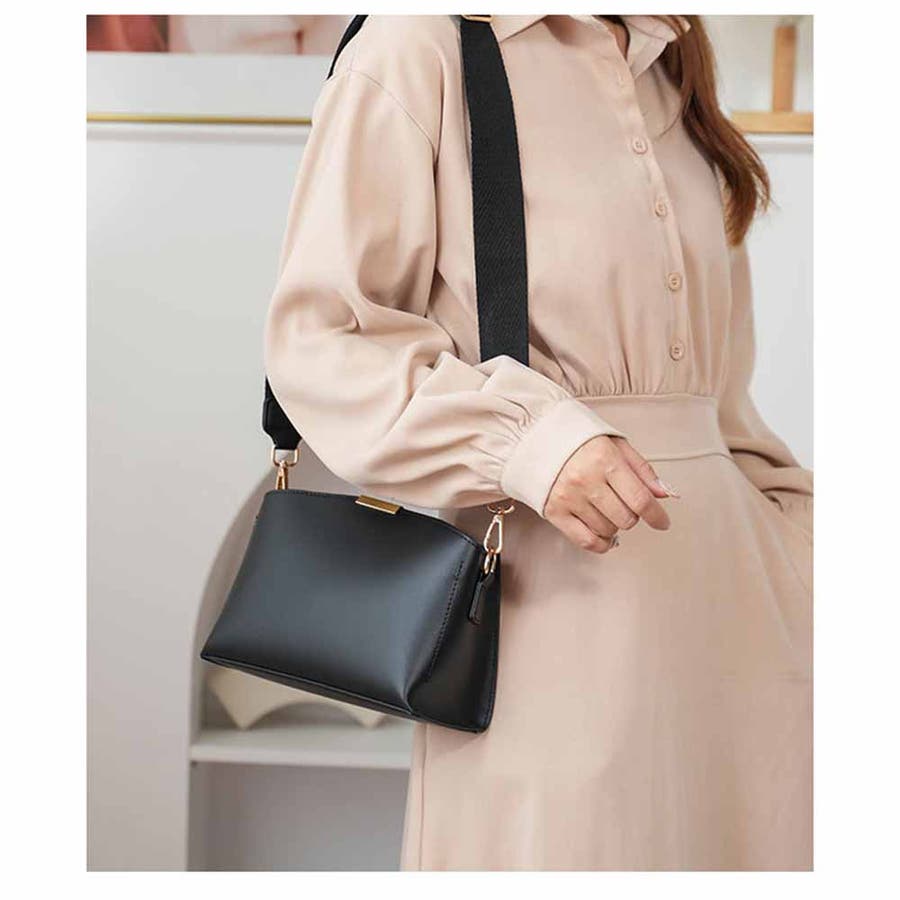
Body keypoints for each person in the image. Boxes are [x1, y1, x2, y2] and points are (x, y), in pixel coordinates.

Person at [264, 15, 813, 871]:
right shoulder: (420, 45)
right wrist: (534, 441)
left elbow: (726, 411)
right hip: (553, 617)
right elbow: (324, 340)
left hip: (751, 635)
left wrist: (806, 550)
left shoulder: (667, 64)